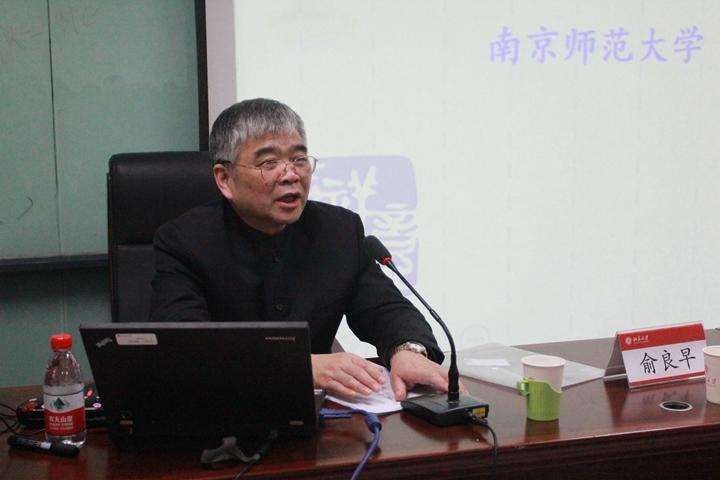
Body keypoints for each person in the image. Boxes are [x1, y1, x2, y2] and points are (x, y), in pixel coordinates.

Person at [150, 98, 458, 400]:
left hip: (319, 418)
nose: (291, 175)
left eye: (299, 159)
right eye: (269, 162)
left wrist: (408, 350)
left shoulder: (339, 231)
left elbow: (385, 309)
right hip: (223, 412)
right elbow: (185, 348)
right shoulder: (185, 242)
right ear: (224, 179)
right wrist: (297, 366)